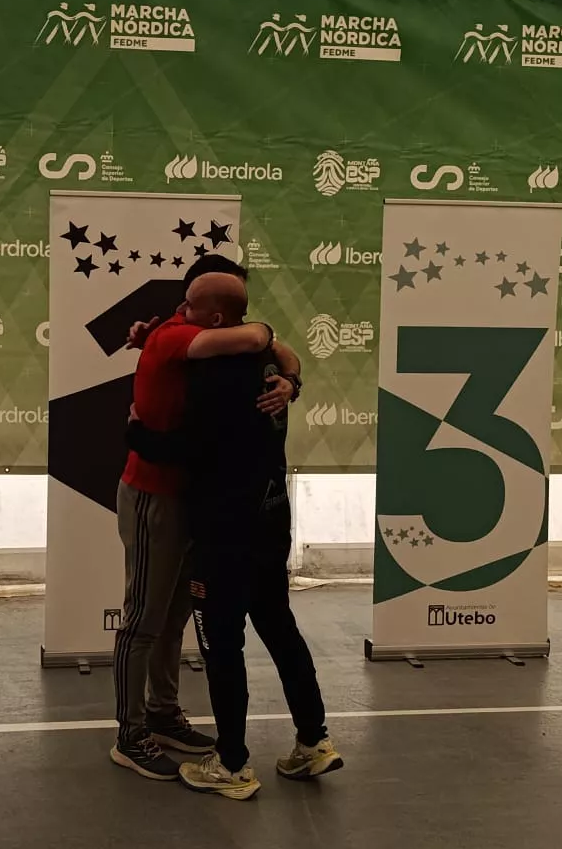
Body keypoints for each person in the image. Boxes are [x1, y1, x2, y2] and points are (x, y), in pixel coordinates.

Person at [127, 269, 341, 800]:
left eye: (190, 306)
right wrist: (292, 379)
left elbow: (187, 450)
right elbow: (277, 349)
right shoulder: (272, 371)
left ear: (216, 318)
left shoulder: (214, 375)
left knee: (222, 644)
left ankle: (231, 763)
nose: (181, 311)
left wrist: (134, 431)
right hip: (271, 519)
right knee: (280, 628)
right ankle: (314, 741)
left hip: (224, 529)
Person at [109, 255, 298, 781]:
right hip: (153, 497)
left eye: (190, 300)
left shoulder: (206, 332)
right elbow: (261, 337)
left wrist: (291, 383)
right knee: (142, 619)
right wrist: (264, 335)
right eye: (186, 298)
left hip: (189, 500)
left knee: (172, 618)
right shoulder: (175, 337)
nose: (178, 306)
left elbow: (276, 349)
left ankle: (163, 714)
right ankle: (130, 733)